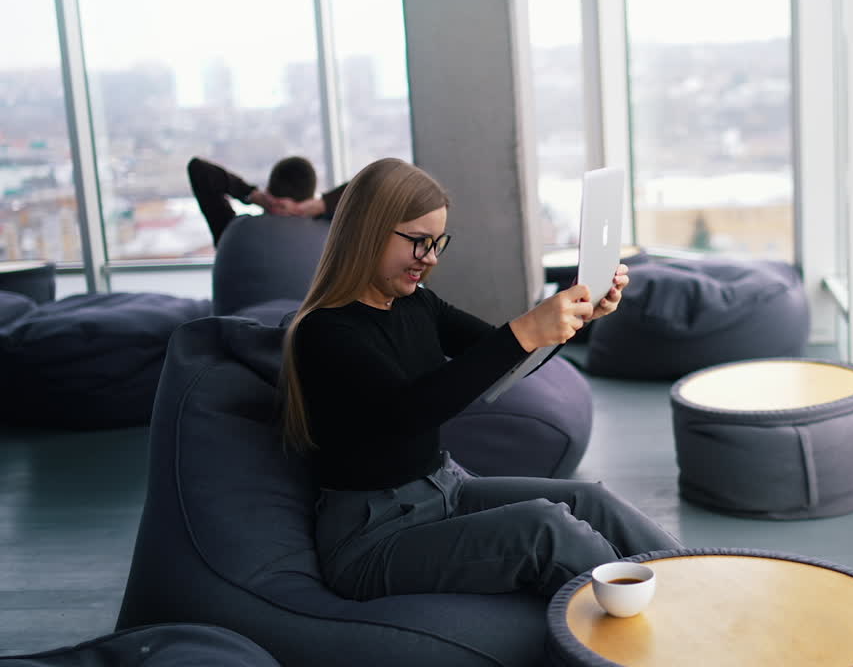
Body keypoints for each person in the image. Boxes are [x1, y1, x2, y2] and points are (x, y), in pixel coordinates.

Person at [278, 157, 681, 601]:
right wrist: (525, 330)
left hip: (442, 490)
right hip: (372, 538)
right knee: (546, 531)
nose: (429, 259)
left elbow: (507, 357)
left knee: (591, 501)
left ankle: (701, 580)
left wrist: (575, 311)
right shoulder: (323, 332)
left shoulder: (417, 304)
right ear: (368, 230)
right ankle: (670, 627)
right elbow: (410, 411)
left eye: (436, 243)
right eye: (417, 242)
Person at [187, 155, 349, 245]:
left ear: (268, 194)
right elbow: (372, 186)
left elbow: (199, 169)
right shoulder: (331, 234)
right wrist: (322, 204)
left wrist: (251, 194)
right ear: (309, 199)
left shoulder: (232, 232)